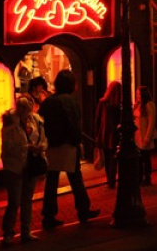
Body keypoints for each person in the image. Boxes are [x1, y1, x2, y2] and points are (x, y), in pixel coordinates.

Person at [39, 70, 99, 230]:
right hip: (68, 145)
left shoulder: (48, 102)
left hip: (51, 145)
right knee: (76, 178)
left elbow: (40, 121)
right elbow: (74, 125)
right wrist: (77, 141)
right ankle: (83, 210)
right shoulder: (70, 101)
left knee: (51, 180)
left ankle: (48, 215)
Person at [1, 95, 46, 246]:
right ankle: (8, 233)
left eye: (28, 108)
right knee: (14, 201)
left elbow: (43, 139)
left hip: (30, 165)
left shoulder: (36, 121)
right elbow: (8, 146)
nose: (26, 112)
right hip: (14, 166)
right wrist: (28, 147)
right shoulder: (10, 122)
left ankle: (26, 231)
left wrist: (40, 147)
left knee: (27, 199)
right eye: (23, 108)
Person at [94, 81, 122, 189]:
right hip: (115, 135)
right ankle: (112, 180)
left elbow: (97, 120)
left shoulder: (102, 103)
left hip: (104, 134)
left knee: (106, 158)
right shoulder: (119, 106)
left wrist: (97, 134)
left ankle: (109, 180)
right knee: (113, 159)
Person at [134, 86, 157, 186]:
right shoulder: (138, 105)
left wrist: (148, 137)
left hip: (144, 136)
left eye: (138, 94)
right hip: (137, 136)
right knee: (139, 158)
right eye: (136, 94)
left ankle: (147, 178)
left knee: (146, 158)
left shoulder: (149, 105)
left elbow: (151, 122)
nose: (137, 96)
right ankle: (140, 177)